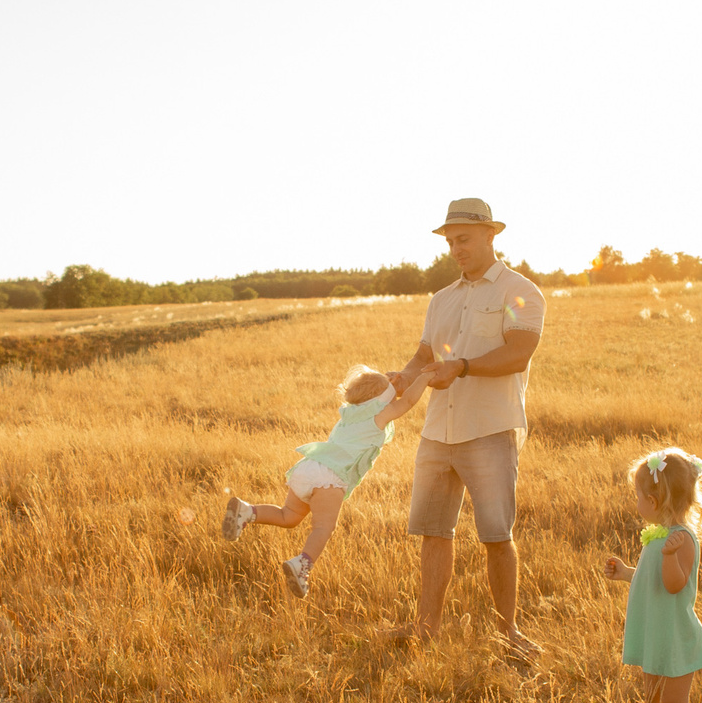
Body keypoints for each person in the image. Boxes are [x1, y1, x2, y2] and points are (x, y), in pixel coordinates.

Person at [394, 198, 545, 656]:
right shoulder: (442, 298)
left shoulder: (521, 292)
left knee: (497, 535)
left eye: (463, 240)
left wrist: (460, 367)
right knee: (433, 531)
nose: (456, 249)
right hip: (438, 430)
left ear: (490, 236)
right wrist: (400, 378)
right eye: (450, 241)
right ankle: (427, 627)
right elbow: (425, 355)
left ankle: (508, 633)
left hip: (489, 429)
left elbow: (519, 352)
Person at [221, 363, 432, 596]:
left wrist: (386, 385)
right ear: (382, 401)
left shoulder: (350, 414)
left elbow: (380, 397)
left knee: (288, 516)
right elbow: (408, 402)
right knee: (323, 527)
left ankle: (247, 511)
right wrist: (425, 378)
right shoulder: (378, 417)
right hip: (331, 477)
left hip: (309, 466)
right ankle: (302, 564)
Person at [600, 447, 702, 703]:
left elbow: (674, 584)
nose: (635, 503)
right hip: (655, 635)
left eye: (638, 496)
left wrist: (668, 556)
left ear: (653, 502)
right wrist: (626, 573)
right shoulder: (659, 537)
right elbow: (652, 580)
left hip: (674, 637)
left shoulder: (683, 539)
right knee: (652, 699)